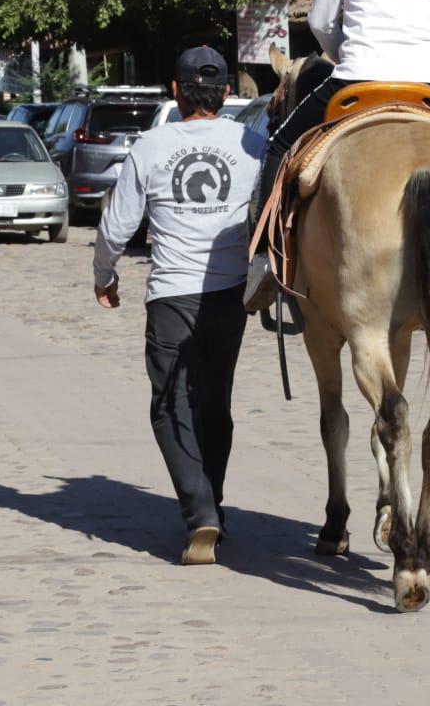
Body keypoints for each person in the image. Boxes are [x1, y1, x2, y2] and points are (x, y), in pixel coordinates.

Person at [93, 45, 266, 566]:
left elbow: (117, 225)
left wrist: (104, 274)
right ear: (228, 94)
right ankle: (214, 504)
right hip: (231, 294)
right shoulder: (254, 144)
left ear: (176, 91)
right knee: (216, 404)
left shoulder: (151, 145)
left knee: (171, 408)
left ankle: (201, 513)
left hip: (171, 294)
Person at [244, 0, 430, 311]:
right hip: (427, 85)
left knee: (279, 148)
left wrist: (347, 51)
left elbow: (321, 22)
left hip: (358, 80)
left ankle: (267, 261)